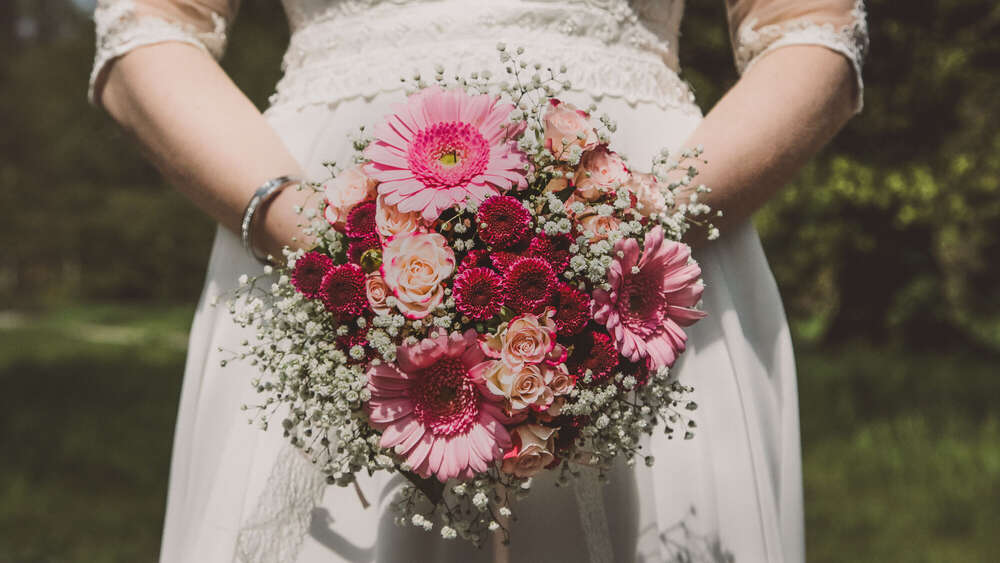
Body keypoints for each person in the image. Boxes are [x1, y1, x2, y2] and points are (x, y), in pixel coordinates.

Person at [90, 1, 867, 561]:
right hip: (308, 240)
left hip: (652, 253)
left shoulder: (639, 237)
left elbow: (814, 30)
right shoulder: (316, 242)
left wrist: (630, 227)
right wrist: (315, 235)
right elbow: (146, 30)